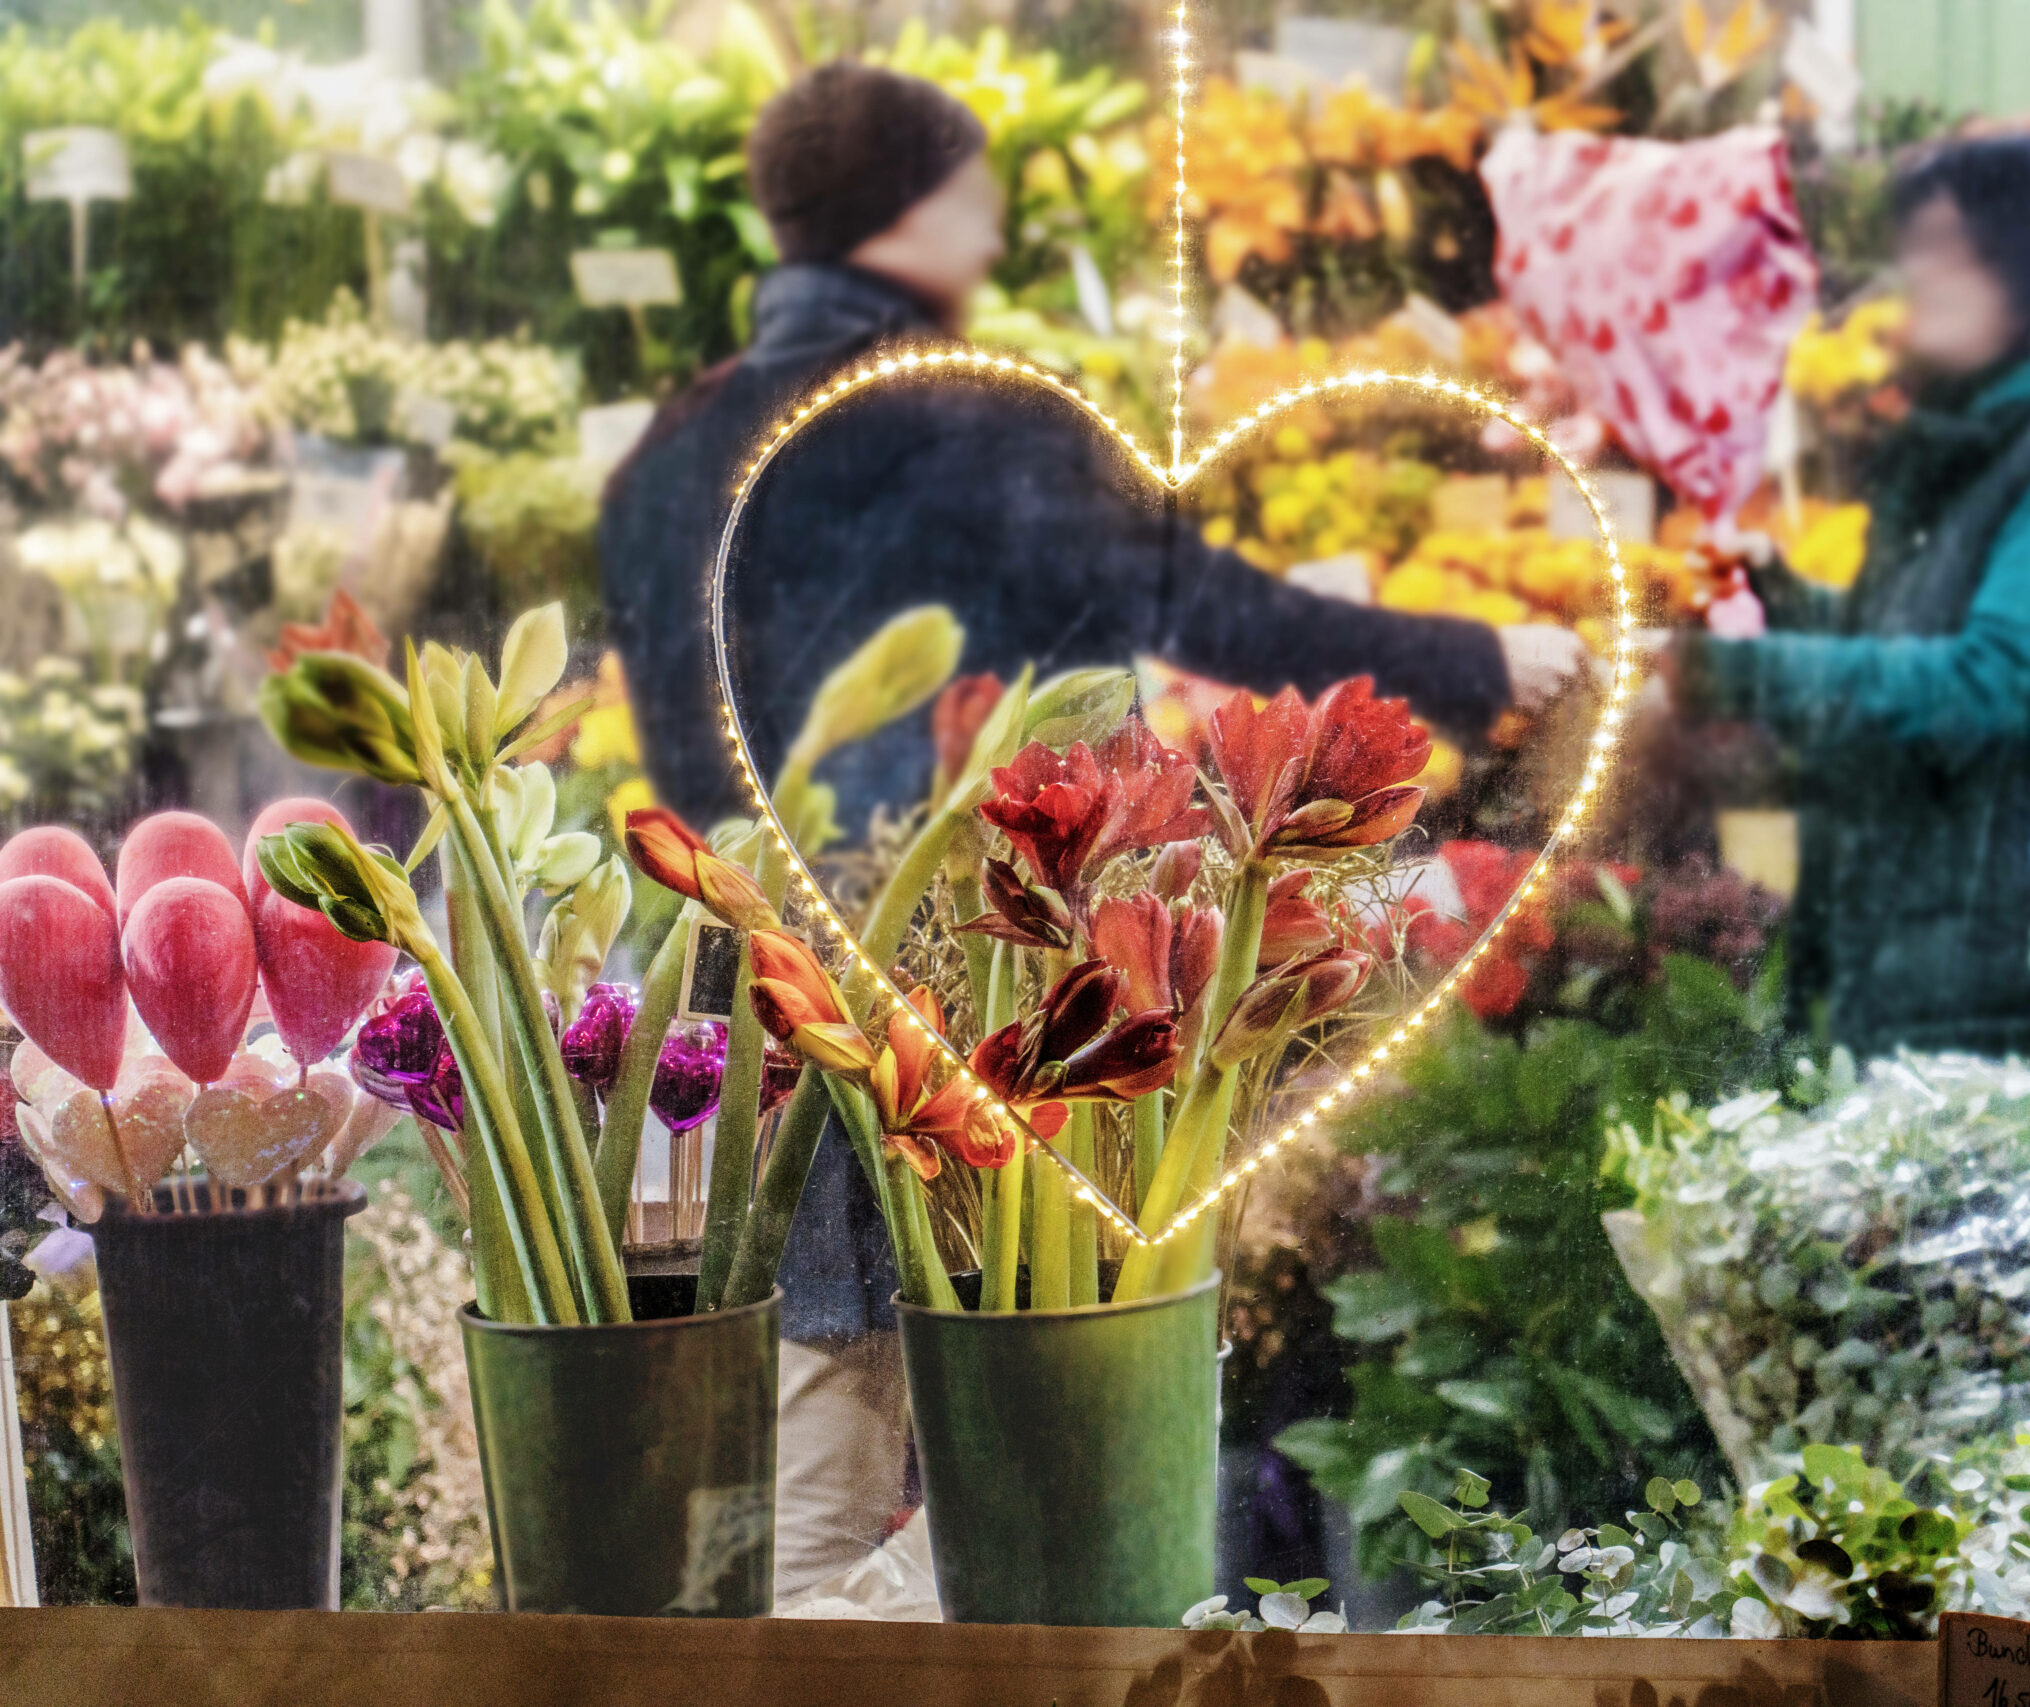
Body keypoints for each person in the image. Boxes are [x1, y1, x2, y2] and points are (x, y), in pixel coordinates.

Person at [598, 61, 1584, 1606]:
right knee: (1021, 1465)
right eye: (980, 182)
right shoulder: (969, 419)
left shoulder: (671, 445)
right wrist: (1475, 659)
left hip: (753, 994)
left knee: (804, 1434)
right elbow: (1193, 596)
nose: (996, 213)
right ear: (923, 203)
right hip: (963, 995)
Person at [1660, 133, 2030, 1061]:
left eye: (1948, 253)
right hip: (1945, 961)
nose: (1914, 280)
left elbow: (1999, 684)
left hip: (2015, 987)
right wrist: (1758, 592)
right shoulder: (1998, 446)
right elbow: (1923, 642)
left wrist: (1721, 671)